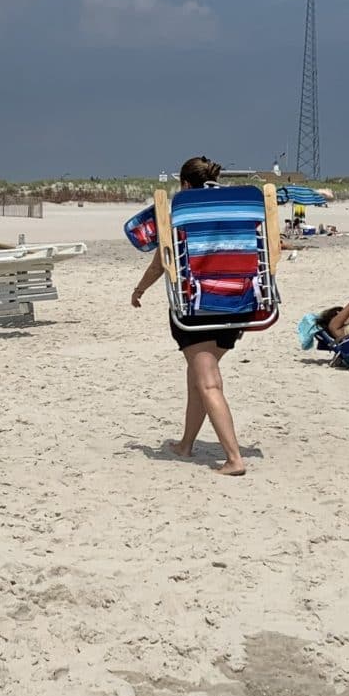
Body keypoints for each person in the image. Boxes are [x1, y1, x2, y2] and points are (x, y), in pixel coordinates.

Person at [128, 155, 250, 475]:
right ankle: (186, 444)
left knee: (208, 382)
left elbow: (160, 262)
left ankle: (234, 458)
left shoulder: (181, 211)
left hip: (197, 308)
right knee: (197, 378)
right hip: (238, 304)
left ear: (184, 184)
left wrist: (139, 290)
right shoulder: (233, 209)